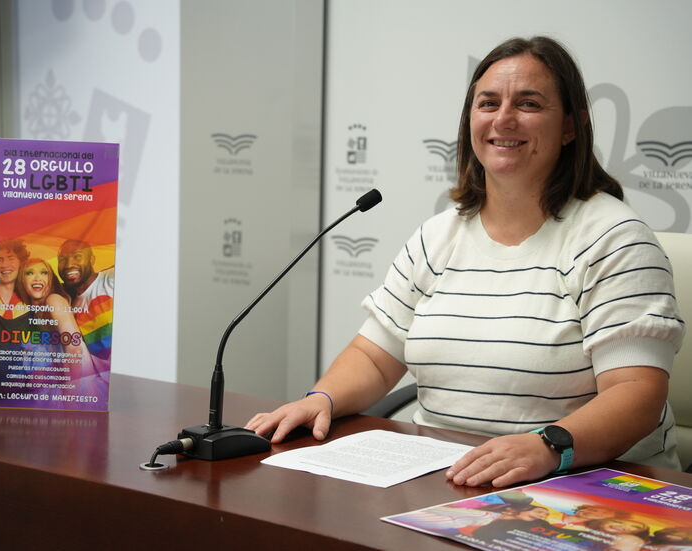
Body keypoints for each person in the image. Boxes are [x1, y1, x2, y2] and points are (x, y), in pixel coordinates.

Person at [245, 36, 686, 487]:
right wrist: (323, 398)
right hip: (447, 477)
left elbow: (636, 394)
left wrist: (548, 446)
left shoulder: (615, 239)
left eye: (529, 103)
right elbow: (375, 358)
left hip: (588, 483)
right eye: (488, 103)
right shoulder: (437, 236)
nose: (504, 118)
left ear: (571, 127)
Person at [57, 239, 114, 375]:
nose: (69, 264)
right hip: (100, 387)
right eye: (63, 259)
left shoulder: (110, 279)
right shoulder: (67, 306)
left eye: (77, 256)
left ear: (92, 260)